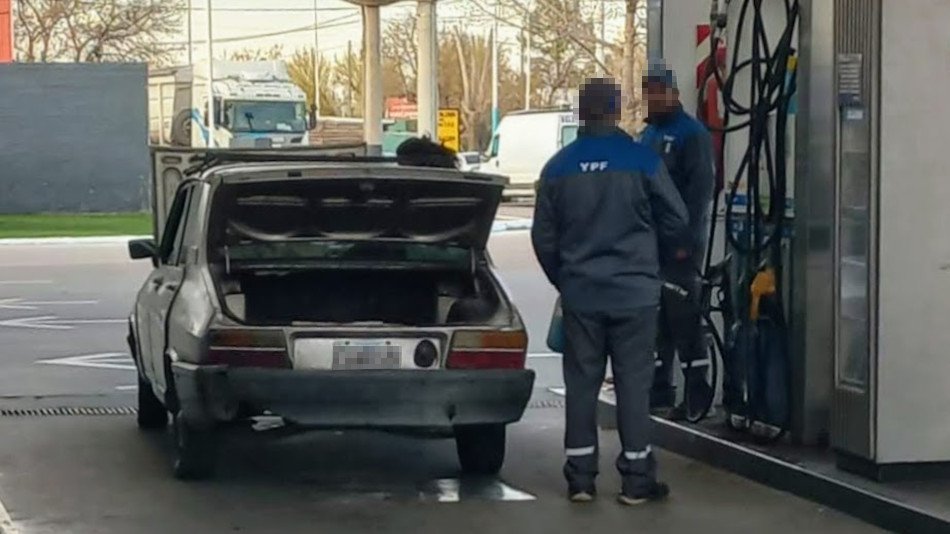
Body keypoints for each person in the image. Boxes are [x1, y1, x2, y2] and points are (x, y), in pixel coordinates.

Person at [531, 77, 688, 505]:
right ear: (616, 111)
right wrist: (654, 263)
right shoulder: (642, 161)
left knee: (582, 384)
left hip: (582, 295)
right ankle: (637, 480)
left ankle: (581, 480)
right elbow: (677, 218)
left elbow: (543, 238)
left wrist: (566, 279)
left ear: (582, 113)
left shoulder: (557, 167)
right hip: (635, 295)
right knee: (633, 384)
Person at [639, 59, 717, 421]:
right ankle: (659, 390)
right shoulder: (649, 135)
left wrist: (685, 240)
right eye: (648, 92)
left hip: (680, 246)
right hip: (651, 245)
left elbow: (700, 193)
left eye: (658, 91)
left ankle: (697, 394)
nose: (653, 98)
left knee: (684, 319)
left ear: (672, 92)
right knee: (657, 321)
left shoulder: (691, 135)